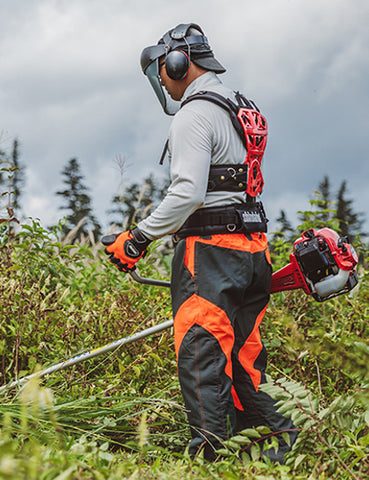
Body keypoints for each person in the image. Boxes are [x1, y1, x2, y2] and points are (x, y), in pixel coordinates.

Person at [102, 22, 297, 462]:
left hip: (211, 254)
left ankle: (210, 460)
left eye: (163, 72)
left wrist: (136, 240)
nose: (164, 84)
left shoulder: (194, 112)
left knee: (201, 351)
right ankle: (278, 454)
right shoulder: (239, 104)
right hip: (253, 249)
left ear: (179, 63)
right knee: (245, 357)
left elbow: (188, 192)